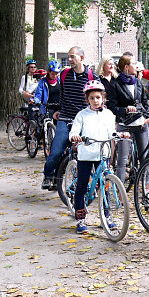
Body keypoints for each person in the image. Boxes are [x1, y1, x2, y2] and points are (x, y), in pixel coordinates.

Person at [41, 46, 98, 190]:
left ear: (81, 58)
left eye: (73, 56)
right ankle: (48, 175)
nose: (70, 60)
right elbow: (62, 93)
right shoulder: (65, 74)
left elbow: (99, 98)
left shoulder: (92, 76)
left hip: (84, 120)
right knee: (56, 150)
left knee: (86, 151)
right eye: (69, 56)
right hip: (66, 118)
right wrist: (59, 109)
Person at [68, 80, 117, 234]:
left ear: (103, 97)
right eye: (92, 98)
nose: (95, 101)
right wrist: (75, 136)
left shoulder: (109, 115)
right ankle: (80, 218)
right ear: (87, 99)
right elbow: (74, 130)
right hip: (86, 154)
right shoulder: (82, 115)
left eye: (98, 97)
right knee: (82, 185)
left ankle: (107, 216)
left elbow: (111, 133)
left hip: (103, 154)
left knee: (105, 186)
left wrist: (120, 134)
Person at [107, 54, 149, 184]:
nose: (136, 66)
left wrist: (146, 116)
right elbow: (112, 107)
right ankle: (120, 189)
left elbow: (144, 102)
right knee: (123, 159)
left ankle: (145, 185)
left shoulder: (138, 82)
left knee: (145, 156)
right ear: (126, 67)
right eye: (133, 63)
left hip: (140, 123)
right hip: (124, 124)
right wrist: (125, 109)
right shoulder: (115, 84)